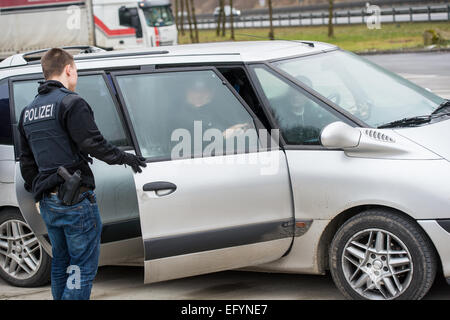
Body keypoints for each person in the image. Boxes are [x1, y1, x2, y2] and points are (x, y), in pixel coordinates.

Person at [17, 48, 147, 300]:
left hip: (50, 203)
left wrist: (40, 190)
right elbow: (92, 143)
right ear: (68, 69)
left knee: (61, 263)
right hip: (76, 202)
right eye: (75, 69)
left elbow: (26, 160)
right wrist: (126, 158)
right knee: (81, 267)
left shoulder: (28, 111)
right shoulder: (71, 102)